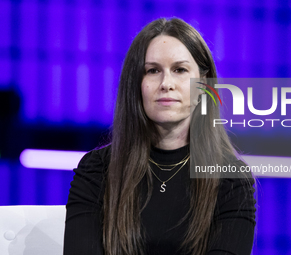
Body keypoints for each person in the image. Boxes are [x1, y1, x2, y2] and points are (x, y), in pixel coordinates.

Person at [63, 17, 256, 255]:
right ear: (136, 84)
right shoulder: (96, 170)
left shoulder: (231, 179)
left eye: (180, 70)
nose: (166, 83)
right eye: (153, 71)